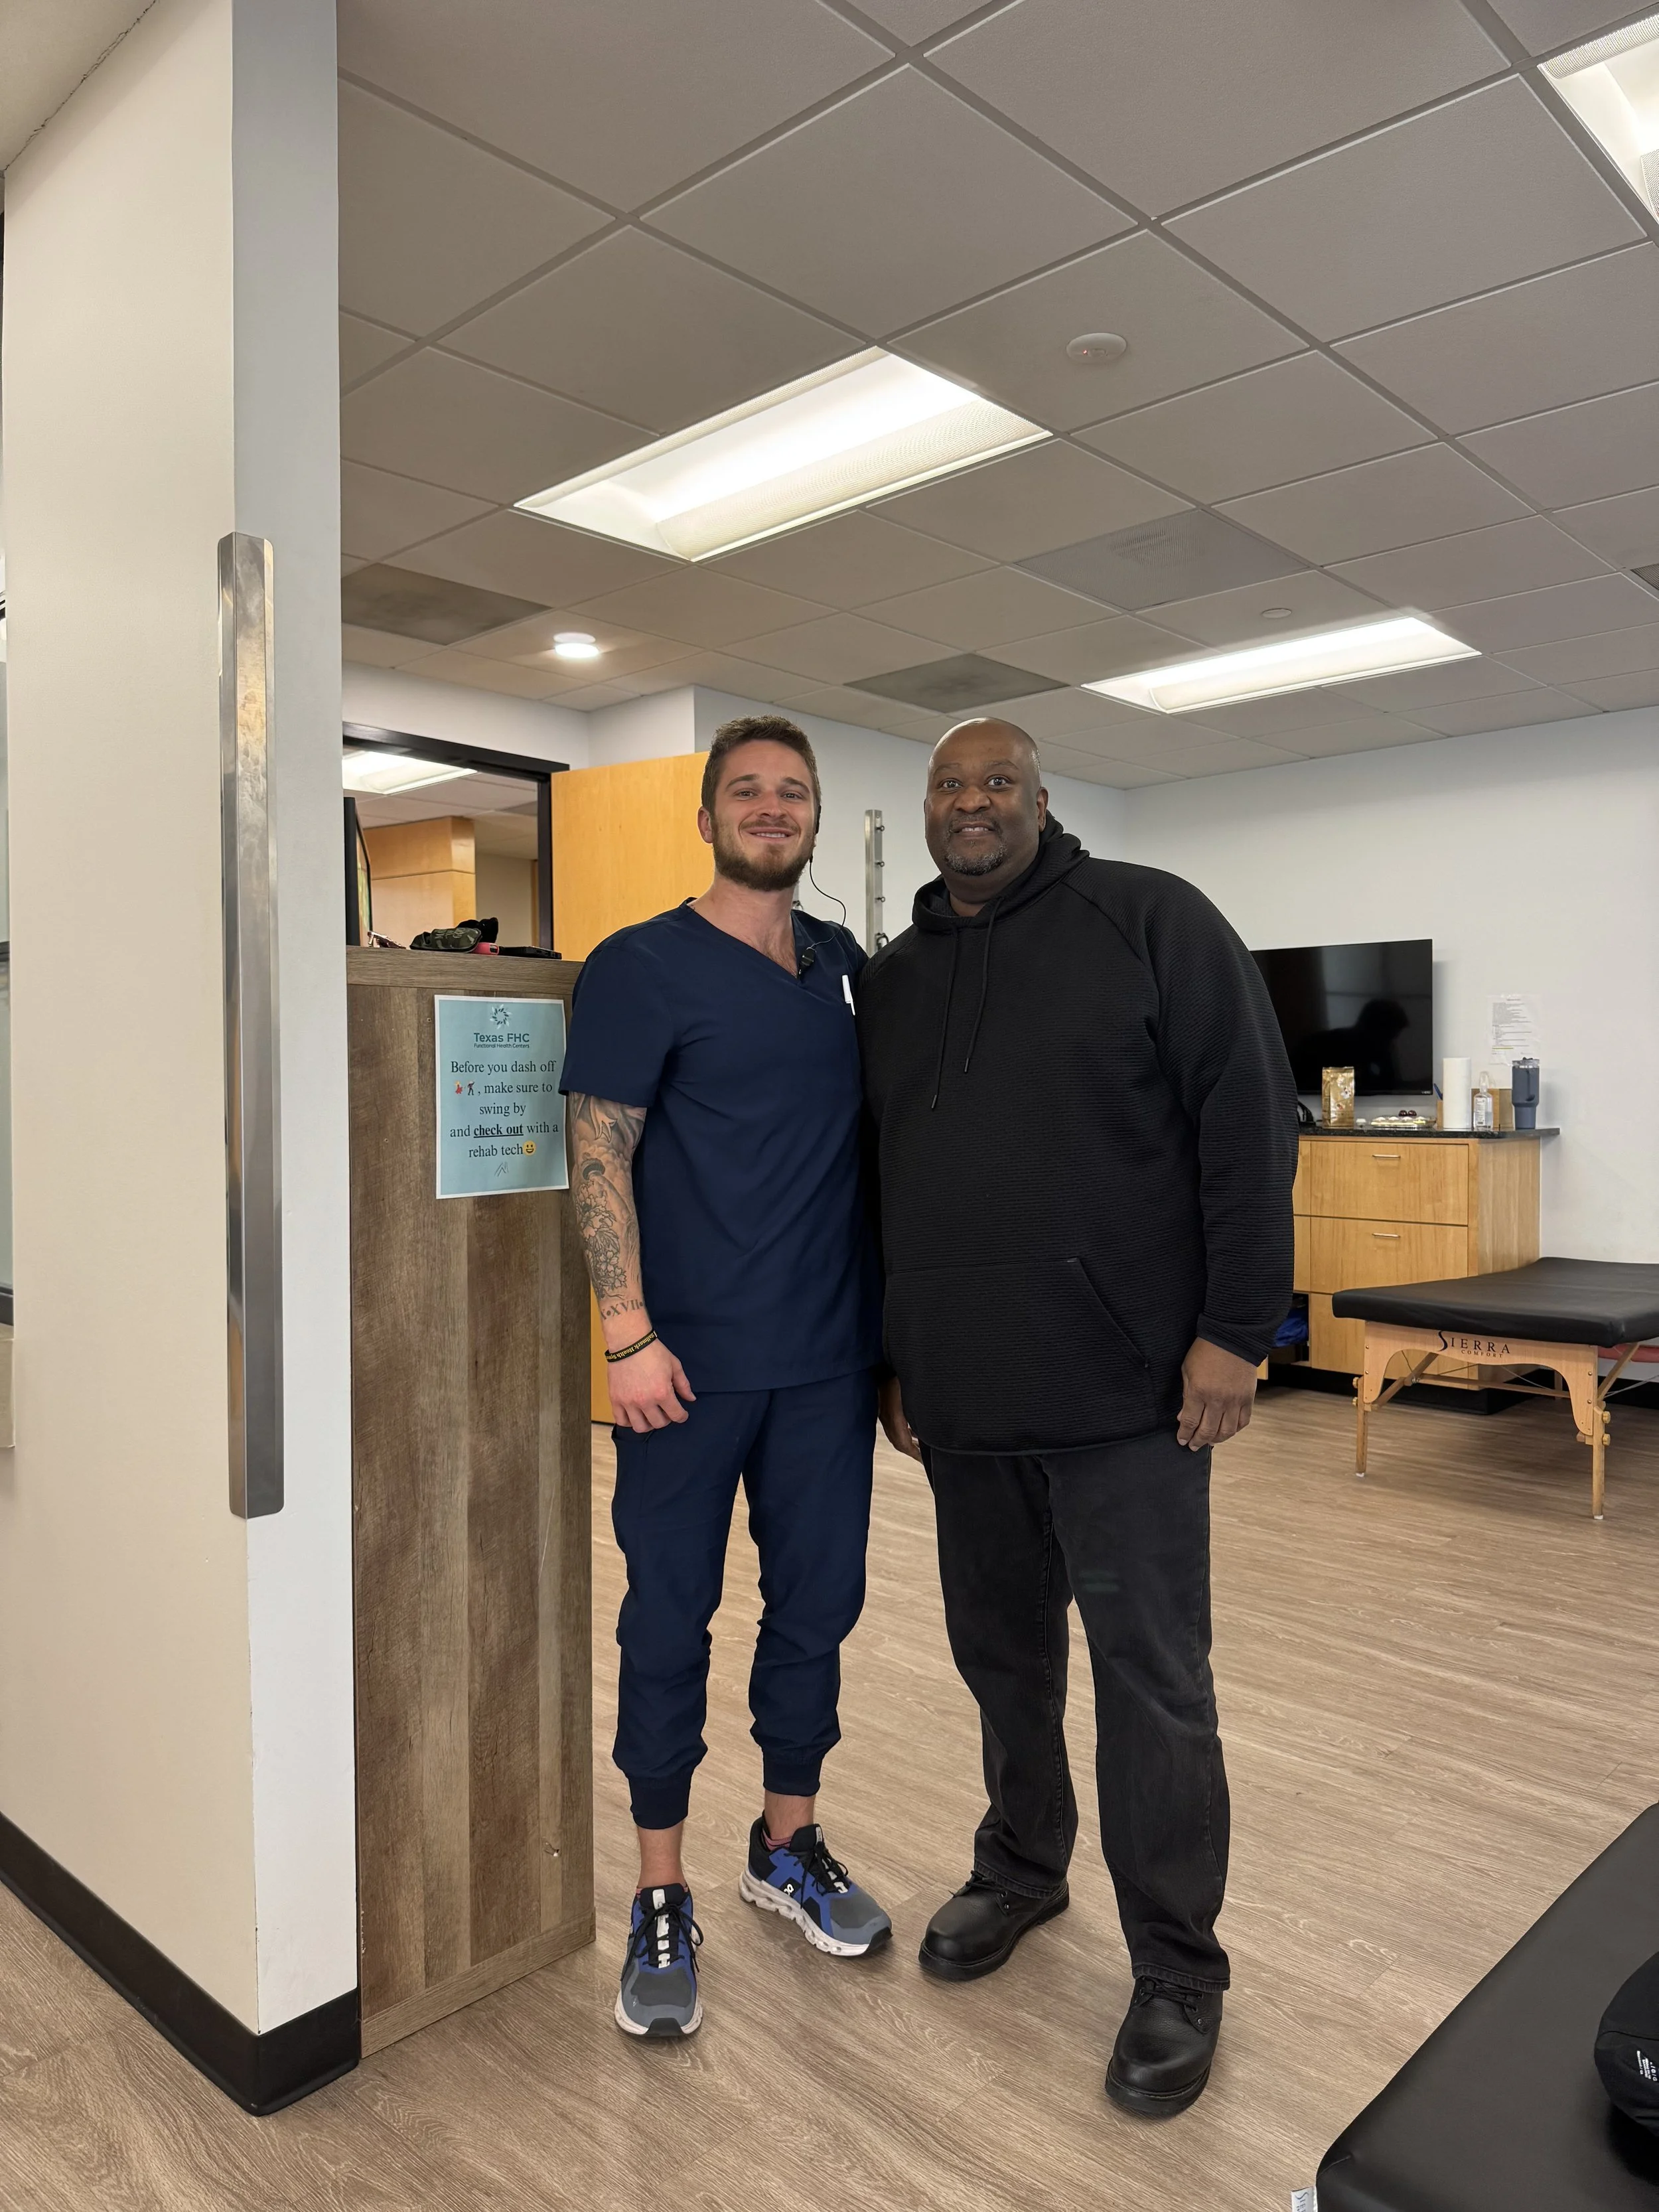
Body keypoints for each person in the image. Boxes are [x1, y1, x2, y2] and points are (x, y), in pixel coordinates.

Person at [857, 717, 1296, 2116]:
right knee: (1002, 1665)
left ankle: (1177, 1964)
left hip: (1126, 1408)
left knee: (1154, 1686)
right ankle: (1020, 1870)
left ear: (1040, 802)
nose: (970, 803)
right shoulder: (894, 978)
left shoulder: (1149, 919)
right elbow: (885, 1181)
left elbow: (1247, 1122)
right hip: (967, 1402)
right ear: (924, 812)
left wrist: (1237, 1329)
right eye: (948, 785)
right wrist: (895, 1352)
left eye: (996, 783)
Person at [561, 713, 891, 2041]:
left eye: (791, 791)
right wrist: (625, 1329)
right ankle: (657, 1886)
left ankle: (783, 1842)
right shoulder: (640, 966)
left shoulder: (843, 969)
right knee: (668, 1623)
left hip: (827, 1360)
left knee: (816, 1610)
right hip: (685, 1369)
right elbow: (598, 1147)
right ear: (705, 817)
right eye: (744, 790)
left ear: (814, 818)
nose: (770, 807)